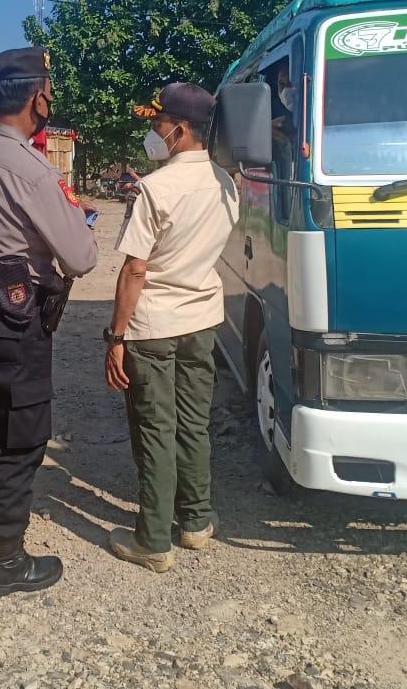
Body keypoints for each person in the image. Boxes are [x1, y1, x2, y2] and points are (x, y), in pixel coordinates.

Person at [0, 47, 98, 597]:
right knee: (15, 435)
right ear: (37, 98)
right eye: (49, 93)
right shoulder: (32, 170)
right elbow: (80, 258)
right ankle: (4, 562)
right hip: (12, 312)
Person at [104, 82, 239, 572]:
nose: (153, 130)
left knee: (156, 429)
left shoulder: (156, 189)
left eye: (158, 123)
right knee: (194, 424)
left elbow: (134, 270)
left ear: (179, 130)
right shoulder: (226, 184)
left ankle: (153, 541)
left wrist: (116, 336)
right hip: (201, 321)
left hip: (154, 326)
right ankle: (197, 521)